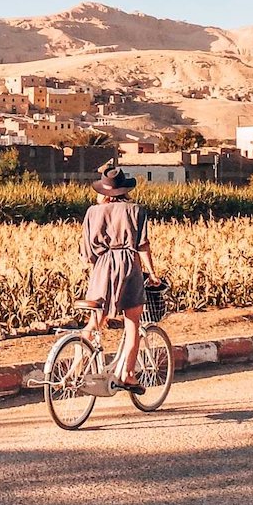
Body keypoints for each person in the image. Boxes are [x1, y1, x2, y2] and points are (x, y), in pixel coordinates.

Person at [80, 166, 161, 395]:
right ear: (124, 190)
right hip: (128, 265)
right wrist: (152, 273)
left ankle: (79, 360)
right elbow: (142, 245)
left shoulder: (92, 212)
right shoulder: (136, 210)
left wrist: (102, 265)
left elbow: (87, 251)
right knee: (132, 321)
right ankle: (128, 374)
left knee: (96, 319)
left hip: (102, 267)